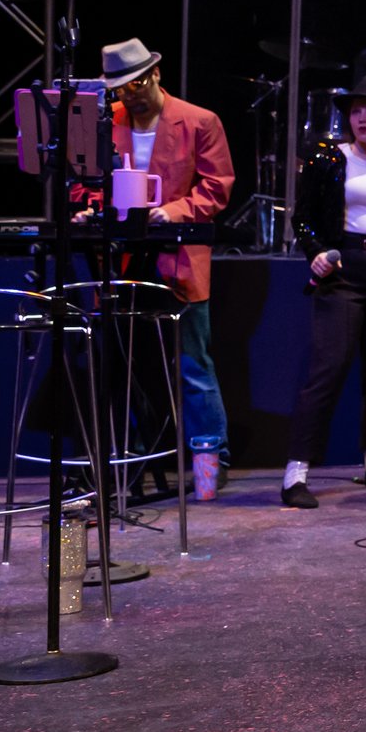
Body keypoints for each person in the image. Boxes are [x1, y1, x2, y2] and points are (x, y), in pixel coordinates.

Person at [98, 38, 237, 499]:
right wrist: (94, 209)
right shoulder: (107, 122)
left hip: (176, 259)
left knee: (193, 364)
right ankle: (130, 466)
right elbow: (86, 183)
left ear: (155, 74)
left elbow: (217, 187)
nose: (129, 94)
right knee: (123, 364)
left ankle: (208, 468)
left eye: (135, 83)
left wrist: (174, 211)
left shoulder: (199, 121)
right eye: (120, 88)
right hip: (120, 259)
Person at [282, 77, 366, 509]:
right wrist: (316, 252)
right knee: (329, 368)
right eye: (356, 109)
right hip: (345, 266)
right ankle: (296, 472)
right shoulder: (328, 157)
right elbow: (301, 217)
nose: (361, 117)